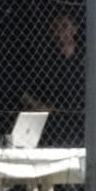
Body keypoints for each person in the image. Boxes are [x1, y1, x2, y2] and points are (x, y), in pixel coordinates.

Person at [20, 12, 85, 148]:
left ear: (74, 29)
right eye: (55, 27)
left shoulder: (85, 59)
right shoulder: (45, 62)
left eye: (64, 25)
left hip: (82, 124)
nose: (60, 31)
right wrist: (38, 106)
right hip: (53, 127)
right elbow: (23, 92)